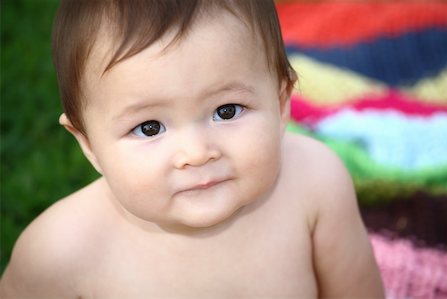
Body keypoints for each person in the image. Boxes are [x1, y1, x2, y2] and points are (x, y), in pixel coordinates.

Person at [0, 0, 384, 297]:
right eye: (149, 128)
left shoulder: (316, 184)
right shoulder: (57, 253)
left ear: (282, 101)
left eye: (226, 110)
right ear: (87, 144)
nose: (197, 153)